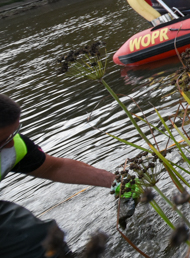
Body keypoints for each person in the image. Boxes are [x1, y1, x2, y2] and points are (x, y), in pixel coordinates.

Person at [0, 94, 128, 258]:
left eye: (13, 133)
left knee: (48, 241)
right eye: (3, 140)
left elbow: (54, 168)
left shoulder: (13, 146)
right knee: (27, 236)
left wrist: (117, 182)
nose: (10, 143)